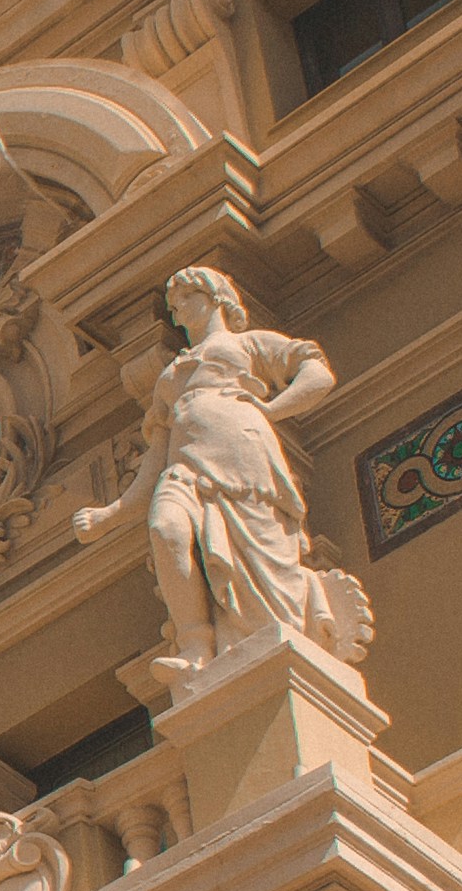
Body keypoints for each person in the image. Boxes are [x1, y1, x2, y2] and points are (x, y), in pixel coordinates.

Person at [71, 264, 372, 691]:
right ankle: (195, 644)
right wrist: (112, 514)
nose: (177, 313)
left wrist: (271, 408)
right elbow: (154, 460)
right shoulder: (169, 379)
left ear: (216, 296)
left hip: (243, 462)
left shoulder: (246, 345)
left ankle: (284, 623)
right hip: (184, 470)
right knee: (165, 528)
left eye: (185, 299)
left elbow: (317, 370)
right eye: (172, 306)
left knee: (261, 562)